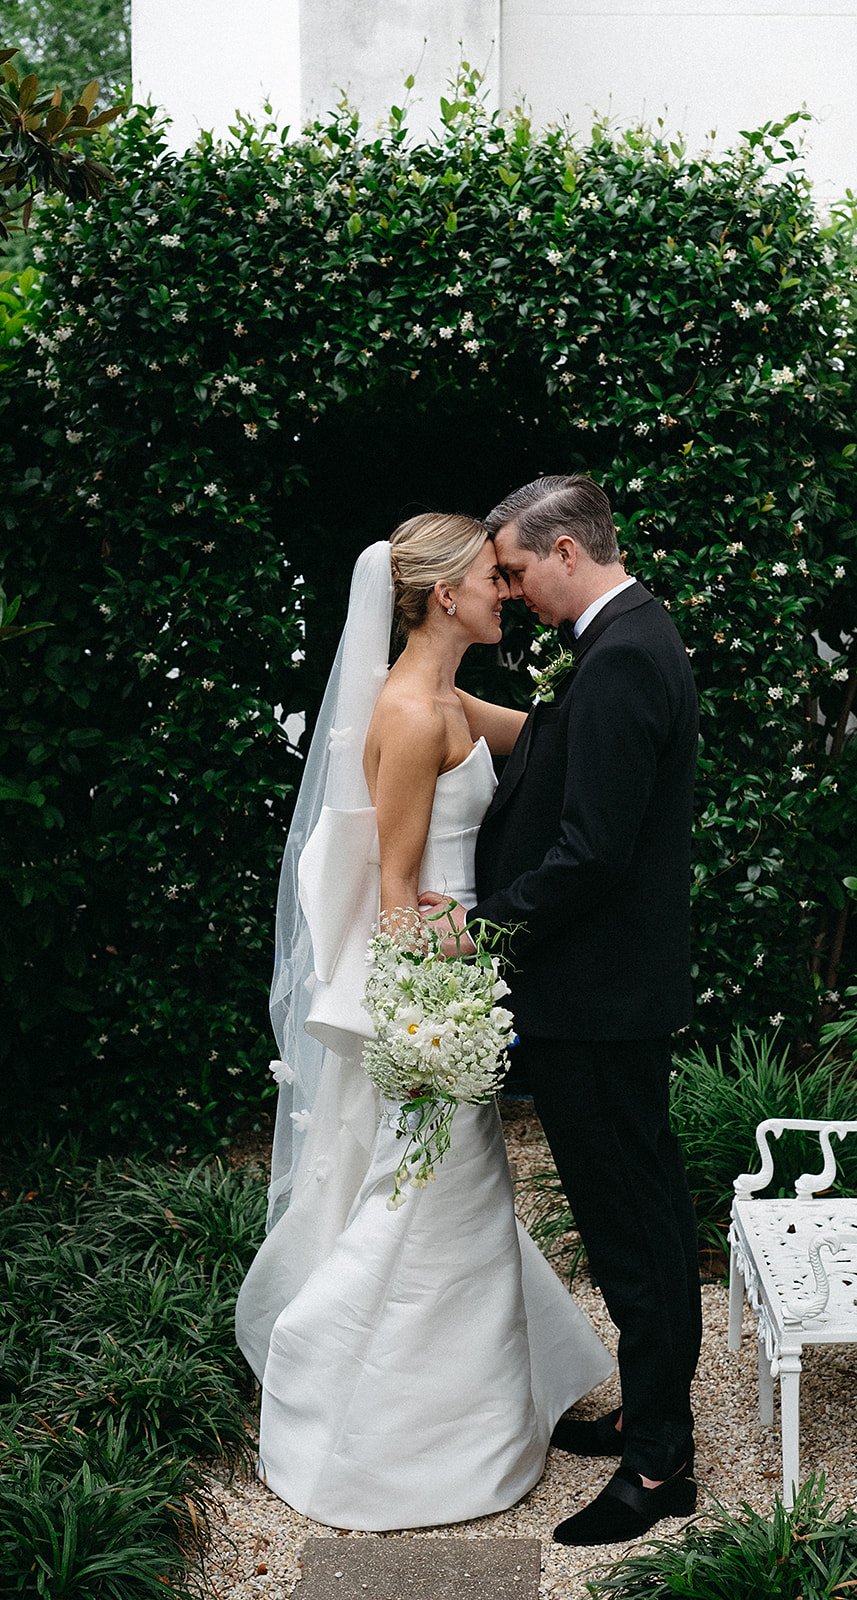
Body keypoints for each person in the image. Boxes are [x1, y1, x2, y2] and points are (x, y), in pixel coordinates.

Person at [234, 514, 613, 1532]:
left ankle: (481, 1422)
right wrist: (426, 1026)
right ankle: (353, 1414)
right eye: (495, 577)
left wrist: (627, 682)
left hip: (463, 976)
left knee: (460, 1204)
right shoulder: (406, 714)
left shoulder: (445, 697)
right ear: (443, 594)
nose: (509, 590)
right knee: (424, 1204)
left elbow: (545, 737)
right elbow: (396, 890)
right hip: (431, 997)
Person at [420, 476, 703, 1546]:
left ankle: (656, 1469)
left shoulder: (623, 651)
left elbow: (592, 851)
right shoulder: (629, 635)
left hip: (597, 998)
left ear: (568, 550)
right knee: (647, 1212)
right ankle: (651, 1413)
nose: (510, 587)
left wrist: (481, 923)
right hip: (607, 993)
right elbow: (564, 764)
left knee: (631, 1228)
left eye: (517, 568)